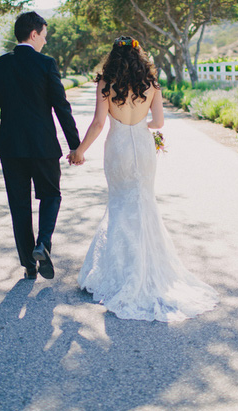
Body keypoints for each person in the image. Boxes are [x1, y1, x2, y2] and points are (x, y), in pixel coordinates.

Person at [67, 36, 219, 322]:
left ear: (113, 56)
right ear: (140, 56)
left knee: (120, 205)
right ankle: (149, 269)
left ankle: (122, 271)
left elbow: (99, 123)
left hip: (118, 148)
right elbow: (159, 123)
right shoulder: (151, 84)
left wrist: (79, 151)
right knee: (144, 203)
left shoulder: (106, 84)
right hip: (143, 147)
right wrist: (141, 126)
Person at [0, 11, 80, 281]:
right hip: (43, 146)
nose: (45, 43)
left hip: (10, 148)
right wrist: (75, 145)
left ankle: (28, 265)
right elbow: (62, 107)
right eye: (44, 37)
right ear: (34, 34)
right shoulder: (46, 64)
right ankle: (43, 244)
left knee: (19, 205)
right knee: (51, 195)